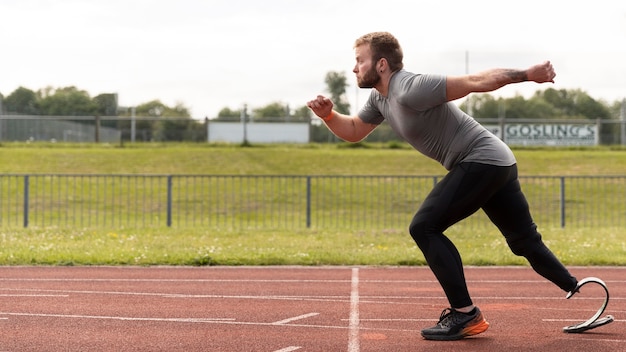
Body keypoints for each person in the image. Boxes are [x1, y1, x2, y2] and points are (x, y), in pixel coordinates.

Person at [307, 31, 581, 341]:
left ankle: (465, 314)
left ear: (381, 64)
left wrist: (527, 75)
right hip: (497, 162)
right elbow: (355, 130)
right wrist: (328, 115)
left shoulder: (410, 87)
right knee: (523, 242)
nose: (354, 68)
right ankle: (576, 286)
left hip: (481, 159)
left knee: (424, 227)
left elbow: (475, 81)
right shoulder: (380, 98)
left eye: (360, 61)